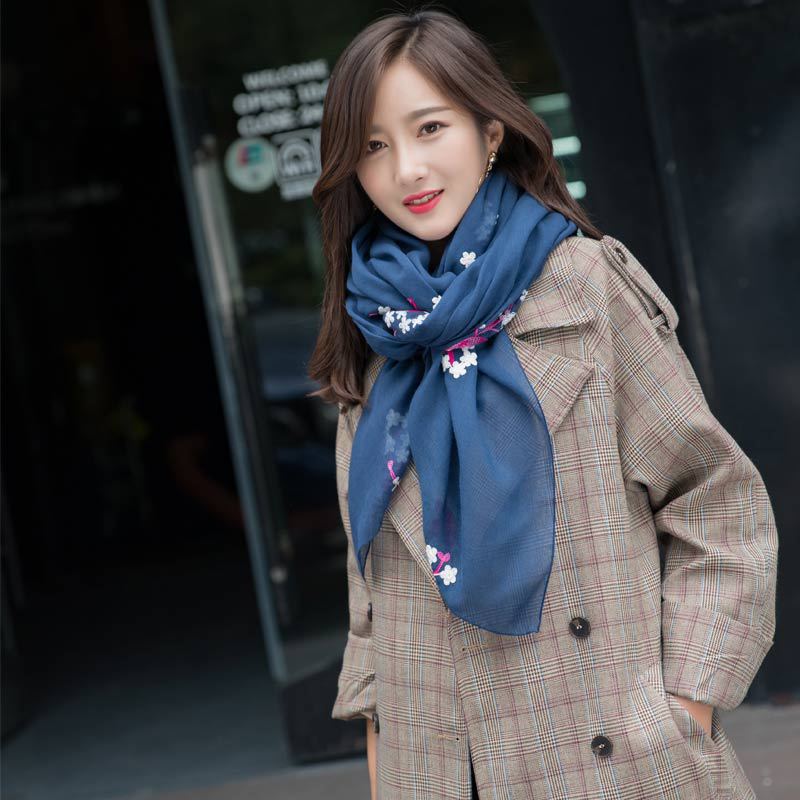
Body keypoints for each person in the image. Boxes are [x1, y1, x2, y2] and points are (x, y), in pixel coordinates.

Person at [307, 8, 779, 800]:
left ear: (490, 132)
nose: (407, 169)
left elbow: (715, 503)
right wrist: (386, 764)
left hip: (617, 761)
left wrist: (684, 709)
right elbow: (375, 601)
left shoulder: (584, 285)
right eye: (374, 146)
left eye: (429, 128)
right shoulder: (375, 333)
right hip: (446, 772)